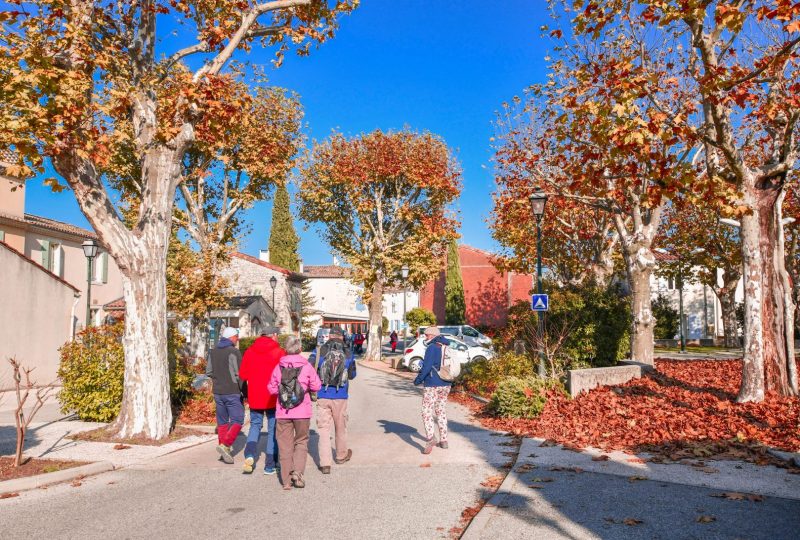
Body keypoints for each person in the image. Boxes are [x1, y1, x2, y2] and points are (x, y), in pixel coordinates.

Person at [268, 335, 322, 489]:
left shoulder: (279, 367)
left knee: (284, 445)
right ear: (299, 349)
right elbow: (317, 386)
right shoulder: (306, 366)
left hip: (283, 412)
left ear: (286, 349)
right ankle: (297, 473)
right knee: (301, 442)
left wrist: (281, 390)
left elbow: (271, 388)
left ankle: (285, 481)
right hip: (302, 412)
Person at [310, 327, 356, 474]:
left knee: (323, 429)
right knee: (340, 426)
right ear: (342, 337)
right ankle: (341, 455)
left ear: (329, 336)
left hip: (322, 395)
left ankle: (325, 463)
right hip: (340, 395)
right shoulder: (348, 352)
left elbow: (310, 368)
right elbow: (352, 375)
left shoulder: (318, 351)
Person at [239, 326, 284, 475]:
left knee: (255, 426)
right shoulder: (279, 352)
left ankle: (250, 455)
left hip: (255, 396)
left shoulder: (249, 351)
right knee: (273, 429)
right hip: (273, 396)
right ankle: (270, 465)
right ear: (274, 335)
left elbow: (243, 375)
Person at [206, 326, 244, 464]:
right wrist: (244, 391)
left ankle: (224, 452)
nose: (237, 339)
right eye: (236, 336)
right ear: (231, 337)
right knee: (238, 420)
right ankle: (225, 445)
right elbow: (240, 374)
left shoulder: (213, 351)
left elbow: (209, 371)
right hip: (232, 391)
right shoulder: (234, 352)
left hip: (218, 392)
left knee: (222, 422)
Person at [412, 326, 452, 455]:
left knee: (426, 411)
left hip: (432, 384)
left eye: (426, 335)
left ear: (432, 335)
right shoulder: (447, 347)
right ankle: (444, 440)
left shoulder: (432, 348)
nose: (425, 337)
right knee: (441, 410)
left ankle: (431, 438)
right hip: (446, 383)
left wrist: (418, 380)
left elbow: (427, 367)